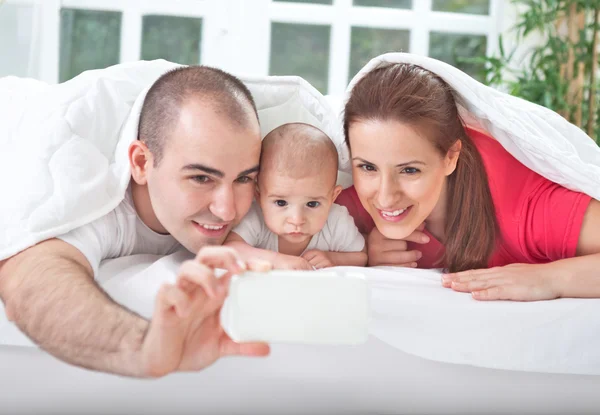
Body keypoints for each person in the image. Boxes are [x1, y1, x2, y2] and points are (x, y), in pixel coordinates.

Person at [0, 66, 274, 378]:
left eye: (243, 179)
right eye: (201, 178)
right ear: (141, 163)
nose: (226, 211)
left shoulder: (261, 197)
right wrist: (143, 348)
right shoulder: (97, 201)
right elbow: (32, 283)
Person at [335, 63, 600, 302]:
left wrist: (548, 278)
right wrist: (361, 253)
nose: (385, 197)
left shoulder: (525, 209)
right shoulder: (346, 204)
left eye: (410, 170)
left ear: (451, 157)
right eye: (367, 167)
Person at [225, 123, 367, 270]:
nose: (297, 220)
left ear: (333, 197)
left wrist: (334, 259)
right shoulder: (256, 217)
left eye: (312, 204)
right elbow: (230, 249)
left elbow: (361, 256)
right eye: (281, 203)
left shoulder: (337, 221)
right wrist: (275, 260)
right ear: (259, 195)